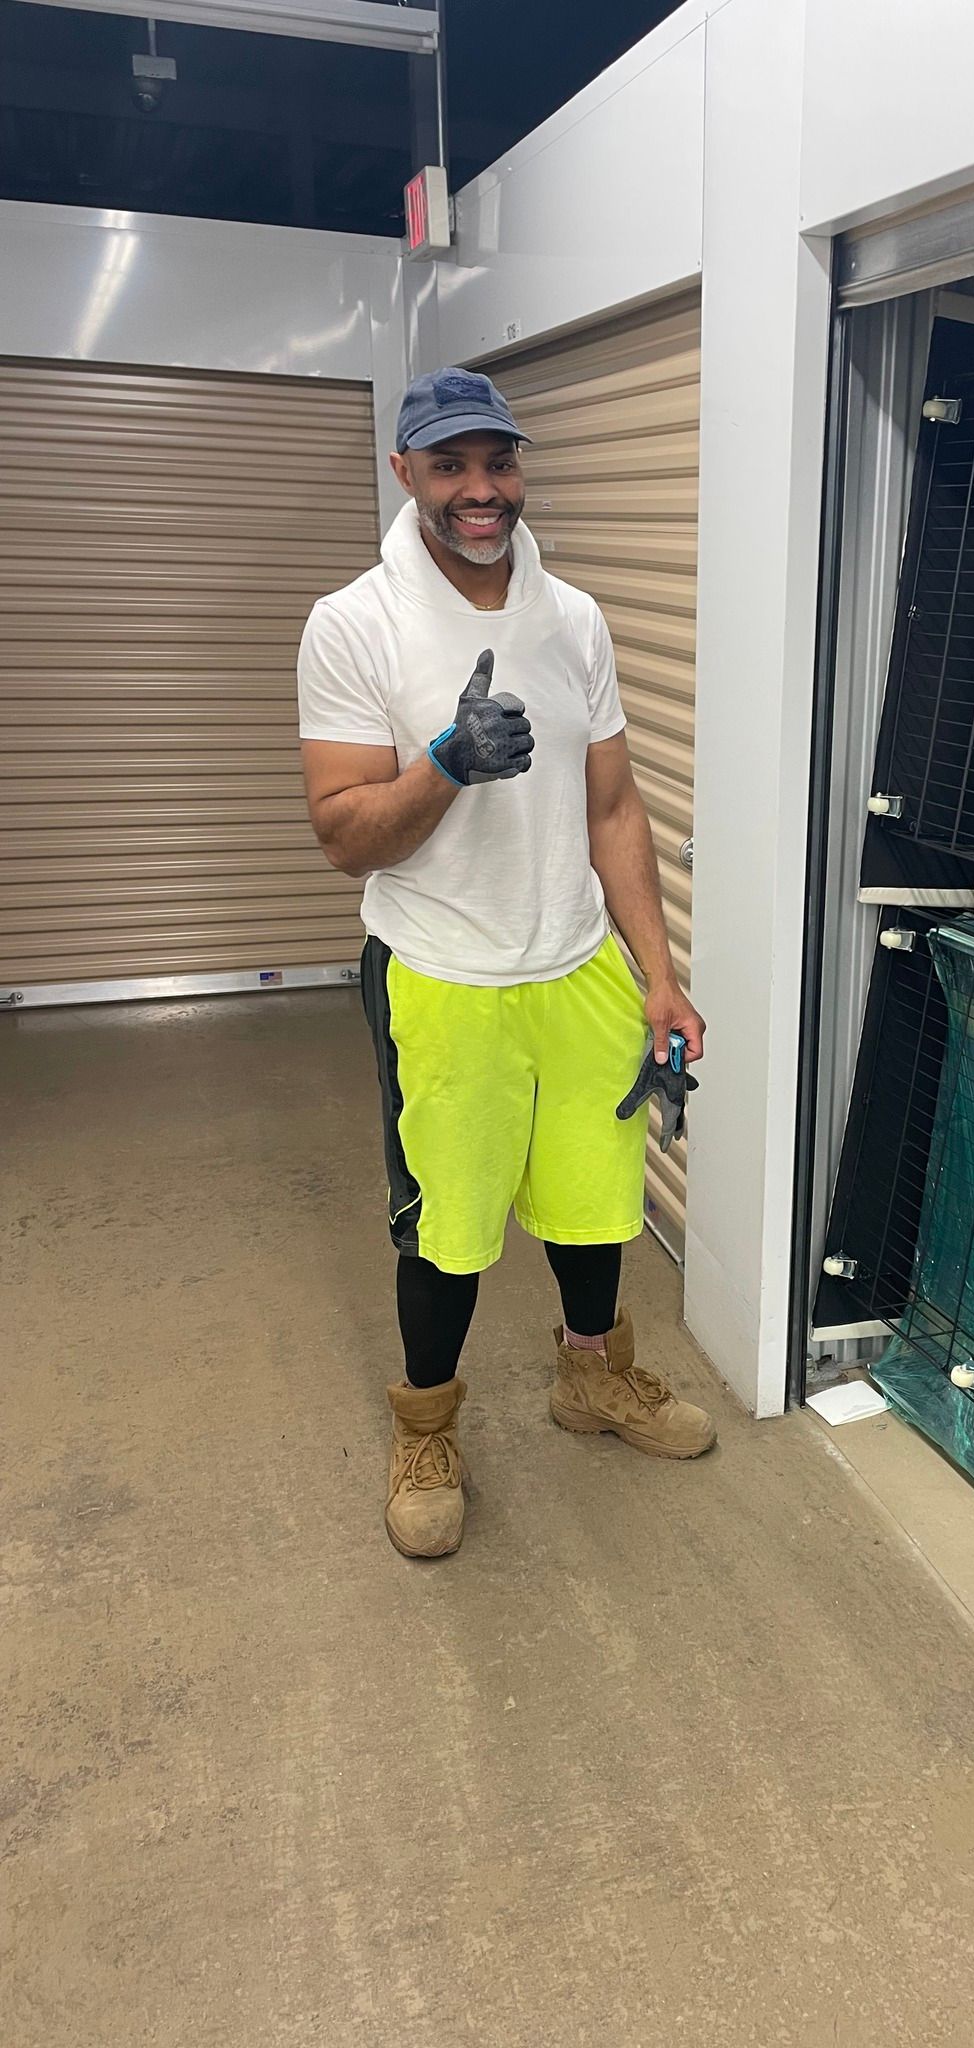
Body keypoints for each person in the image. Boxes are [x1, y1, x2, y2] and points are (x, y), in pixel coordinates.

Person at [297, 365, 714, 1560]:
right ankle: (426, 1427)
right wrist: (444, 763)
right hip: (440, 971)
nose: (482, 492)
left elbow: (617, 804)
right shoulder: (354, 624)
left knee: (597, 1193)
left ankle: (592, 1376)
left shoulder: (572, 616)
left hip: (573, 959)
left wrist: (658, 972)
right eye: (451, 467)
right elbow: (340, 834)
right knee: (449, 1225)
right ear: (406, 476)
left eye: (499, 463)